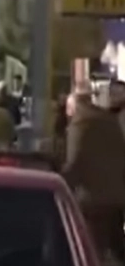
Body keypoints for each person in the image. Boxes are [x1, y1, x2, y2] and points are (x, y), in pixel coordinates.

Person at [63, 82, 125, 263]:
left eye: (68, 110)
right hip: (116, 199)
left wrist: (62, 186)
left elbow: (74, 163)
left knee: (92, 251)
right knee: (114, 249)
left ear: (73, 107)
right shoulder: (110, 121)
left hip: (92, 202)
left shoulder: (80, 125)